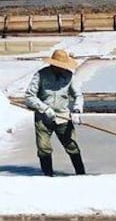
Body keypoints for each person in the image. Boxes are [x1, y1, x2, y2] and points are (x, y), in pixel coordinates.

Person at [24, 49, 85, 177]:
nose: (63, 69)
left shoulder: (69, 76)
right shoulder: (41, 75)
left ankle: (81, 175)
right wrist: (44, 108)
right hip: (43, 118)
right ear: (53, 64)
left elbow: (78, 95)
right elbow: (29, 96)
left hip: (63, 117)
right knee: (43, 148)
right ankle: (48, 176)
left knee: (72, 146)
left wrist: (76, 111)